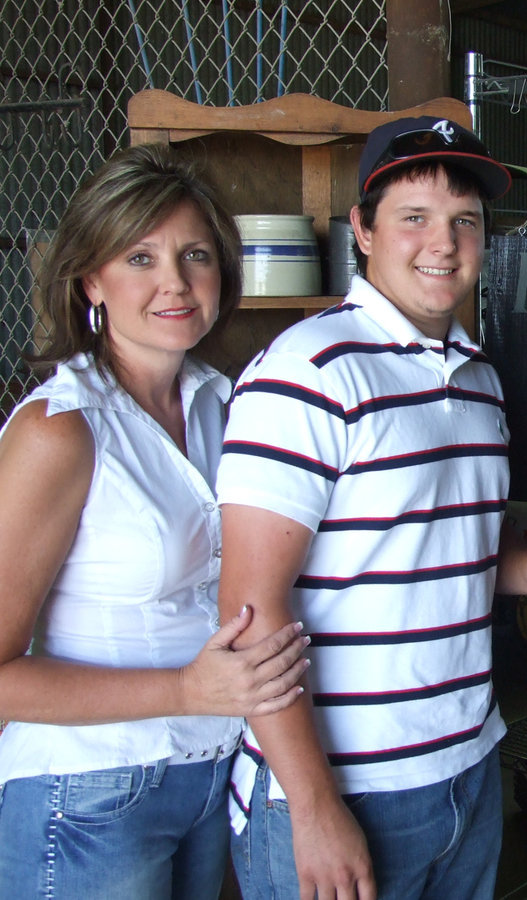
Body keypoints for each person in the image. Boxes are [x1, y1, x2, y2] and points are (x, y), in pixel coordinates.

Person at [215, 116, 527, 900]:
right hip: (344, 787)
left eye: (466, 221)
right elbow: (249, 610)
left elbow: (428, 552)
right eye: (414, 217)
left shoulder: (478, 379)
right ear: (361, 228)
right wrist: (314, 805)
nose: (444, 243)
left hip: (467, 768)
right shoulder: (307, 372)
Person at [0, 144, 309, 899]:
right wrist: (184, 689)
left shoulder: (225, 405)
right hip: (89, 796)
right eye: (140, 257)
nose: (174, 282)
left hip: (209, 777)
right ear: (90, 279)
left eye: (194, 255)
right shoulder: (59, 430)